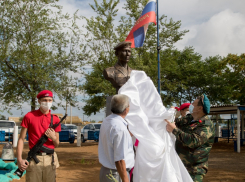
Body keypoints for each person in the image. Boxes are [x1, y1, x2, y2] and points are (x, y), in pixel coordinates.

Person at [165, 94, 215, 182]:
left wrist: (174, 130)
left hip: (194, 170)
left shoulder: (206, 124)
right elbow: (175, 121)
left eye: (193, 104)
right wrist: (169, 114)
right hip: (180, 164)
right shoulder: (190, 118)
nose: (190, 105)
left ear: (199, 108)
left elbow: (194, 141)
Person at [17, 90, 61, 182]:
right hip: (34, 160)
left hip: (50, 160)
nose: (47, 102)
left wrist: (53, 138)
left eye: (50, 100)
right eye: (45, 100)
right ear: (39, 101)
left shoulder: (56, 119)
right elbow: (21, 139)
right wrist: (19, 159)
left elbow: (56, 144)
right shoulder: (29, 116)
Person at [98, 94, 134, 182]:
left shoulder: (107, 121)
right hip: (116, 174)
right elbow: (119, 160)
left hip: (105, 171)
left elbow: (113, 139)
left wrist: (129, 135)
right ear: (126, 110)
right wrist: (125, 180)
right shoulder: (120, 129)